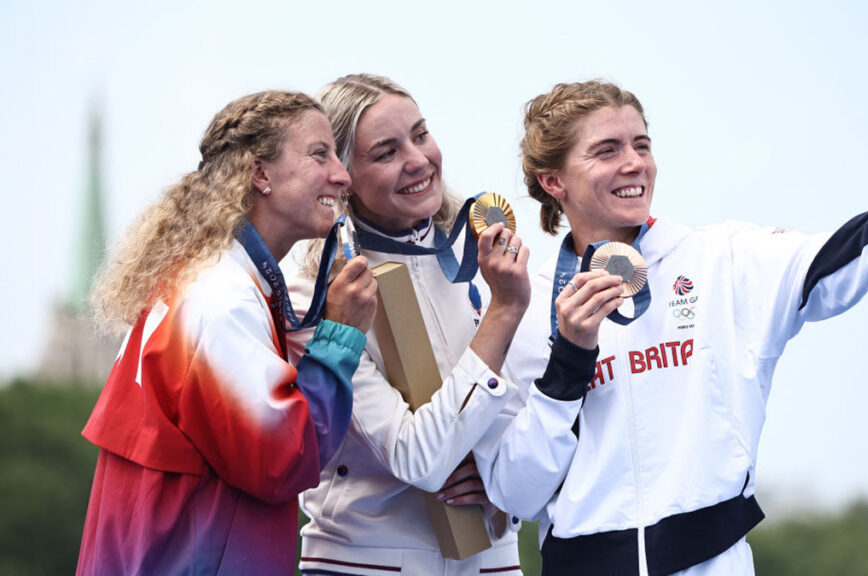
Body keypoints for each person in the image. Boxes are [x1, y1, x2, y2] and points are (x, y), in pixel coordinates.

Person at [472, 79, 868, 576]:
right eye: (607, 151)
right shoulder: (524, 306)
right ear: (554, 182)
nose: (635, 162)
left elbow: (838, 256)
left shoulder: (721, 260)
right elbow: (516, 491)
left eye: (642, 145)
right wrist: (570, 360)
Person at [76, 91, 378, 575]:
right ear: (260, 174)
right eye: (319, 154)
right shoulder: (223, 300)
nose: (342, 176)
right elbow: (281, 460)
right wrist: (339, 336)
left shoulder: (205, 278)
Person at [284, 74, 530, 576]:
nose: (417, 160)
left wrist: (507, 484)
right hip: (364, 562)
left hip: (494, 560)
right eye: (386, 152)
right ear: (342, 173)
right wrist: (503, 314)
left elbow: (531, 413)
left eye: (420, 135)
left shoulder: (486, 258)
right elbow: (418, 457)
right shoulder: (314, 291)